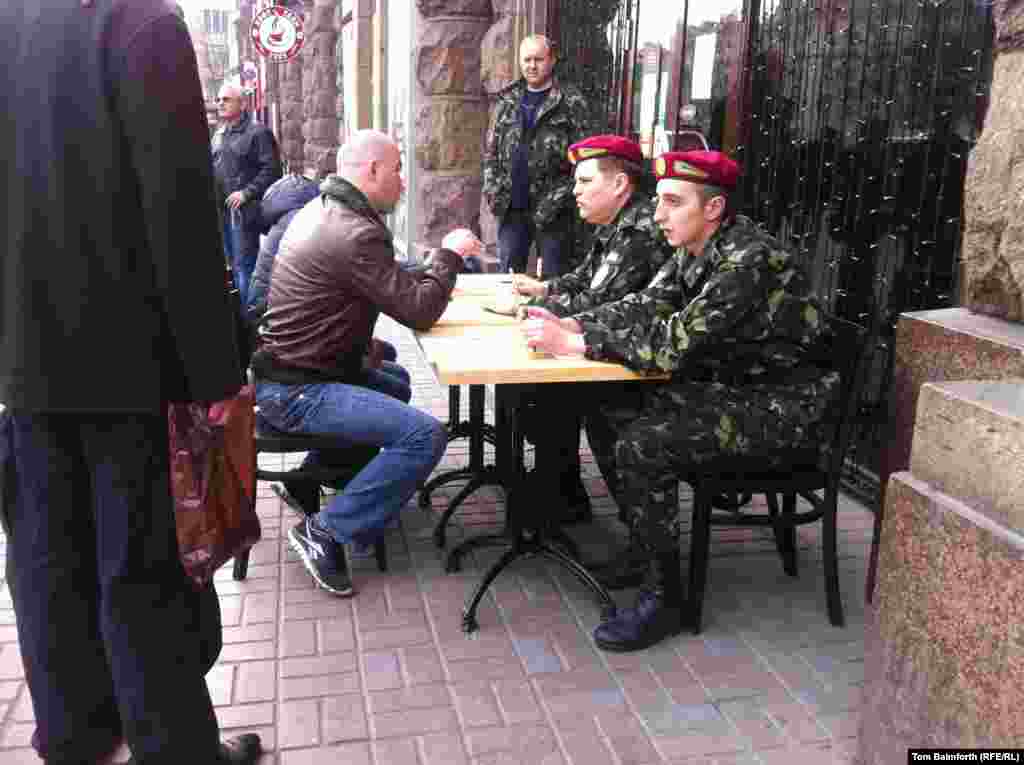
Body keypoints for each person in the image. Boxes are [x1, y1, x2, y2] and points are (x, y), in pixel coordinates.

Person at [0, 1, 261, 763]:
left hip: (28, 358)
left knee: (47, 564)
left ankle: (78, 739)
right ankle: (174, 748)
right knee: (140, 575)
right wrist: (217, 369)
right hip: (129, 361)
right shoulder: (141, 23)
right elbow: (178, 211)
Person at [522, 150, 836, 652]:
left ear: (712, 209)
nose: (658, 213)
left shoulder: (746, 260)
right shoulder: (694, 247)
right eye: (660, 201)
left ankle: (665, 599)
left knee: (644, 445)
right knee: (609, 406)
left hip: (784, 410)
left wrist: (577, 346)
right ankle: (645, 547)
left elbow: (674, 344)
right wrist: (578, 324)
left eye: (672, 202)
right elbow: (650, 301)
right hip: (735, 389)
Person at [253, 129, 482, 597]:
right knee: (425, 435)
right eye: (398, 169)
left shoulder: (327, 210)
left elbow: (387, 279)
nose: (403, 181)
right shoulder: (353, 231)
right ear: (372, 170)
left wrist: (436, 268)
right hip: (296, 390)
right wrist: (449, 257)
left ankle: (310, 479)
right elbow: (418, 309)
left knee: (395, 382)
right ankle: (327, 531)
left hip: (293, 372)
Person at [510, 135, 675, 523]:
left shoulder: (640, 230)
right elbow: (589, 279)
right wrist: (547, 290)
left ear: (619, 185)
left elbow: (600, 300)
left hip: (647, 363)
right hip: (629, 345)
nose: (575, 192)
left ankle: (563, 494)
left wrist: (540, 311)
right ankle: (560, 488)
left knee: (552, 394)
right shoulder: (618, 222)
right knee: (540, 390)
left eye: (584, 182)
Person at [483, 35, 591, 277]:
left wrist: (562, 197)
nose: (532, 66)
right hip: (512, 207)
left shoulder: (570, 101)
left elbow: (583, 159)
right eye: (527, 60)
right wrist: (493, 190)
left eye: (538, 59)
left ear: (551, 61)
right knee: (508, 278)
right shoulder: (507, 100)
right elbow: (491, 151)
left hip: (553, 210)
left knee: (553, 279)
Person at [212, 82, 282, 310]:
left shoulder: (258, 132)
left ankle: (251, 320)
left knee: (246, 268)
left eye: (226, 99)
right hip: (223, 212)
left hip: (244, 213)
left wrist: (246, 192)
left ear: (242, 104)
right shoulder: (219, 135)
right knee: (233, 264)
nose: (220, 103)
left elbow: (272, 169)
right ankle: (246, 319)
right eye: (219, 99)